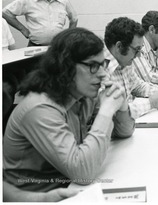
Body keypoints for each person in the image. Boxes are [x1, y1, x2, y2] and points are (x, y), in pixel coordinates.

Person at [3, 27, 135, 192]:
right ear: (66, 66)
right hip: (39, 196)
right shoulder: (39, 108)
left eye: (103, 65)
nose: (102, 73)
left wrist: (121, 106)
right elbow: (83, 173)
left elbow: (125, 132)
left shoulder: (83, 95)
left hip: (68, 186)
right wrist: (106, 112)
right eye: (93, 65)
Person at [104, 17, 158, 119]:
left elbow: (139, 86)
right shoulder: (102, 70)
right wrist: (151, 103)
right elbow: (117, 114)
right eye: (137, 49)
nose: (138, 55)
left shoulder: (124, 62)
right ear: (119, 46)